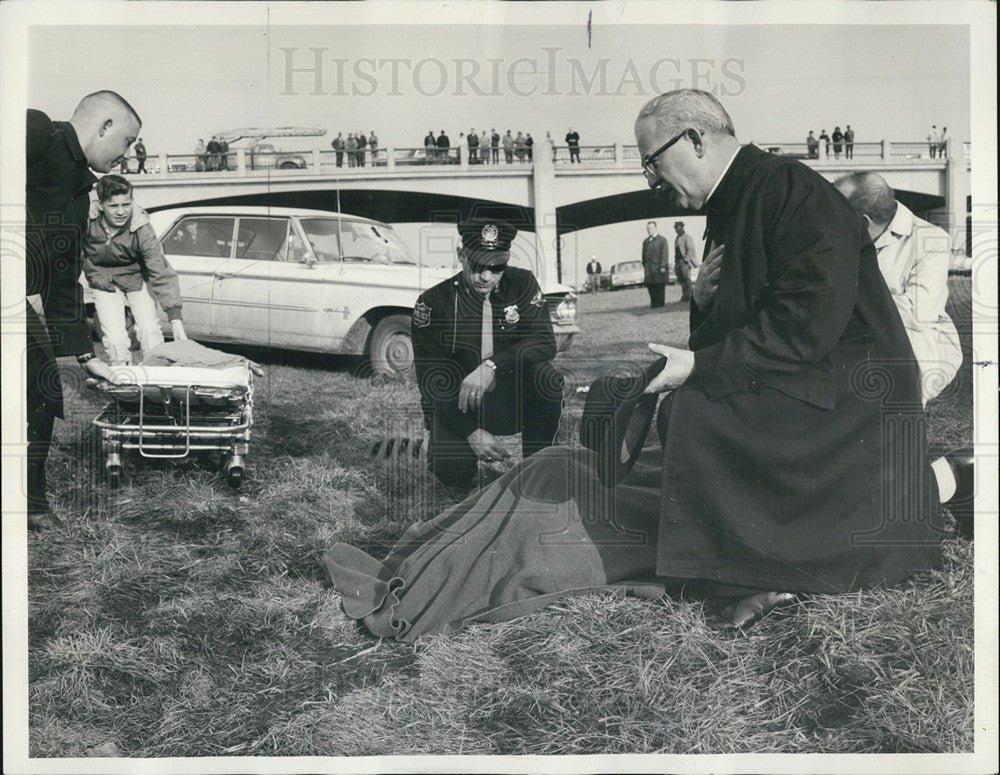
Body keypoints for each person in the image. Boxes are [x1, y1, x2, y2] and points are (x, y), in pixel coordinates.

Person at [325, 89, 957, 642]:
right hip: (808, 382)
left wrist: (700, 366)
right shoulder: (739, 204)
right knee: (614, 425)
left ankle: (749, 567)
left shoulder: (793, 193)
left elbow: (804, 326)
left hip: (849, 409)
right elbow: (754, 333)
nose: (652, 182)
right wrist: (705, 305)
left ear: (696, 138)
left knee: (695, 410)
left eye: (653, 163)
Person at [25, 91, 135, 530]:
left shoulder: (81, 191)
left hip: (22, 309)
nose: (125, 156)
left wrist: (89, 358)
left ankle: (30, 503)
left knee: (42, 391)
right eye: (125, 142)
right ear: (104, 126)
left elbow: (64, 280)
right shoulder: (36, 129)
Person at [410, 219, 564, 491]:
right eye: (478, 266)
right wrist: (470, 432)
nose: (487, 277)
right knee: (452, 471)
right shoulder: (433, 303)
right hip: (460, 404)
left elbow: (544, 342)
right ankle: (447, 451)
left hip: (511, 398)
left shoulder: (522, 283)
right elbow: (432, 382)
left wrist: (492, 365)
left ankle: (538, 468)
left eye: (497, 268)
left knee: (547, 378)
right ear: (461, 256)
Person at [834, 172, 962, 405]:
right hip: (854, 331)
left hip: (910, 337)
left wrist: (840, 306)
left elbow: (918, 312)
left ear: (863, 221)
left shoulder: (931, 239)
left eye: (835, 209)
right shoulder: (839, 236)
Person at [82, 175, 187, 365]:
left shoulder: (141, 227)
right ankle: (124, 377)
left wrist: (175, 319)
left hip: (137, 277)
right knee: (114, 338)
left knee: (149, 330)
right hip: (102, 279)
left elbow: (159, 269)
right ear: (100, 205)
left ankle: (156, 373)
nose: (121, 212)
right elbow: (71, 255)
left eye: (126, 204)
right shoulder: (87, 221)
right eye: (114, 206)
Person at [641, 221, 670, 308]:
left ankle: (660, 304)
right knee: (650, 286)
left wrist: (663, 266)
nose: (649, 230)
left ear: (655, 228)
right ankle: (653, 303)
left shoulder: (662, 240)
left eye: (651, 228)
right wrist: (645, 265)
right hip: (648, 268)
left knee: (659, 286)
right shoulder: (645, 241)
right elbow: (643, 256)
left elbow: (665, 254)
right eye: (648, 229)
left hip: (658, 268)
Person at [673, 221, 699, 302]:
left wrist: (685, 260)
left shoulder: (687, 237)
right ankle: (685, 296)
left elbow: (690, 250)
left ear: (682, 227)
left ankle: (689, 296)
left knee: (686, 279)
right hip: (678, 262)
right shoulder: (677, 238)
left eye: (679, 227)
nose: (677, 229)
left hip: (684, 262)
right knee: (681, 279)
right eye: (676, 228)